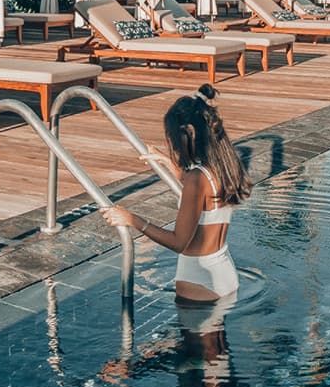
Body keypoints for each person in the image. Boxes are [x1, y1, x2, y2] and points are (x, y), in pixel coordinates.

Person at [103, 83, 251, 301]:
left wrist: (132, 220)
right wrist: (171, 164)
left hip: (199, 281)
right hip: (225, 274)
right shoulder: (225, 168)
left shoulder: (196, 179)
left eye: (172, 139)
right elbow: (205, 198)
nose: (172, 144)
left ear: (187, 135)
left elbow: (178, 242)